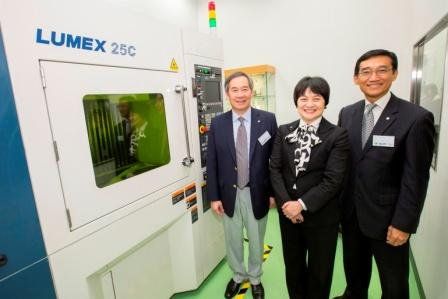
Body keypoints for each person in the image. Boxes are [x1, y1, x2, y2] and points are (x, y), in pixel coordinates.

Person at [335, 49, 435, 299]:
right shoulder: (347, 113)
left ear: (394, 74)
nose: (373, 77)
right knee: (354, 274)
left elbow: (416, 178)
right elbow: (345, 164)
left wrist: (403, 224)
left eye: (382, 70)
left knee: (393, 284)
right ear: (356, 78)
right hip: (351, 216)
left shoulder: (416, 118)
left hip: (389, 221)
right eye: (365, 72)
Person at [270, 76, 350, 299]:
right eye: (303, 98)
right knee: (293, 269)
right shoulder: (284, 131)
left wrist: (301, 205)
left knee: (320, 272)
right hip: (288, 217)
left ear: (325, 102)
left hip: (322, 217)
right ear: (296, 102)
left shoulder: (337, 135)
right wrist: (287, 205)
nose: (309, 104)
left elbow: (333, 180)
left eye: (316, 98)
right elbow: (275, 169)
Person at [206, 71, 277, 299]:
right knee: (233, 239)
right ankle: (238, 275)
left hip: (258, 192)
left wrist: (274, 193)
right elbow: (212, 162)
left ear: (252, 91)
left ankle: (255, 278)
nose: (240, 94)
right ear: (227, 94)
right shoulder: (218, 123)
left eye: (244, 89)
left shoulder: (267, 119)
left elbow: (276, 161)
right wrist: (214, 196)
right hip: (229, 193)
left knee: (257, 240)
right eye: (234, 90)